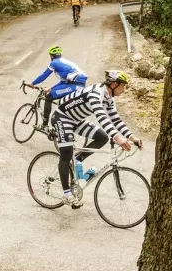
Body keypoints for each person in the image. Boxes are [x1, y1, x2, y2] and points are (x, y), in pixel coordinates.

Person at [51, 70, 142, 208]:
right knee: (66, 153)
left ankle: (77, 160)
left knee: (102, 137)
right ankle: (67, 194)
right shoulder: (95, 93)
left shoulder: (109, 98)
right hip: (62, 117)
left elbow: (116, 120)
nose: (124, 90)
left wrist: (132, 137)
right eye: (123, 86)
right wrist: (118, 139)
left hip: (76, 119)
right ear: (114, 84)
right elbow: (102, 118)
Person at [25, 45, 88, 129]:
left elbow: (44, 75)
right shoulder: (64, 62)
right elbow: (64, 82)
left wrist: (32, 84)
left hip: (75, 85)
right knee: (58, 99)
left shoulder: (54, 63)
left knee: (49, 97)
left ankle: (45, 125)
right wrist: (50, 88)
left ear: (51, 56)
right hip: (75, 84)